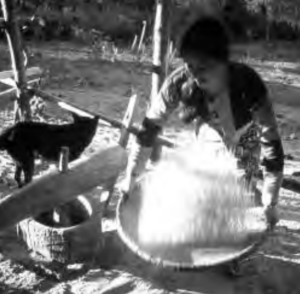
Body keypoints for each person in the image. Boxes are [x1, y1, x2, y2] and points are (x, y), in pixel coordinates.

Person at [120, 16, 284, 229]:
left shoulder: (248, 84)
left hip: (246, 134)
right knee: (206, 187)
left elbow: (271, 144)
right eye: (190, 65)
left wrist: (270, 200)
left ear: (223, 61)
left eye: (204, 66)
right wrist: (131, 178)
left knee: (241, 190)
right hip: (209, 133)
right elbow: (148, 129)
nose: (195, 74)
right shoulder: (179, 83)